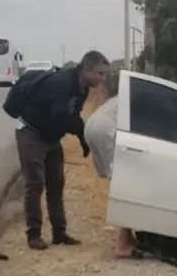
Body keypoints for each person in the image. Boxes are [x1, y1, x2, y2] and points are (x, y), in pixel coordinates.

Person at [13, 50, 110, 250]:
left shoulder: (82, 88)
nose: (102, 78)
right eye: (100, 74)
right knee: (35, 184)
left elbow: (73, 115)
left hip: (51, 136)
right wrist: (77, 131)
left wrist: (84, 139)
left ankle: (59, 233)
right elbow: (59, 116)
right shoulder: (62, 83)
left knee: (56, 183)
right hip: (31, 132)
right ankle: (33, 235)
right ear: (87, 70)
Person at [81, 77, 136, 258]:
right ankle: (123, 242)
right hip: (105, 129)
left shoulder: (127, 96)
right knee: (124, 184)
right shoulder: (152, 100)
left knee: (117, 182)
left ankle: (127, 237)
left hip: (92, 125)